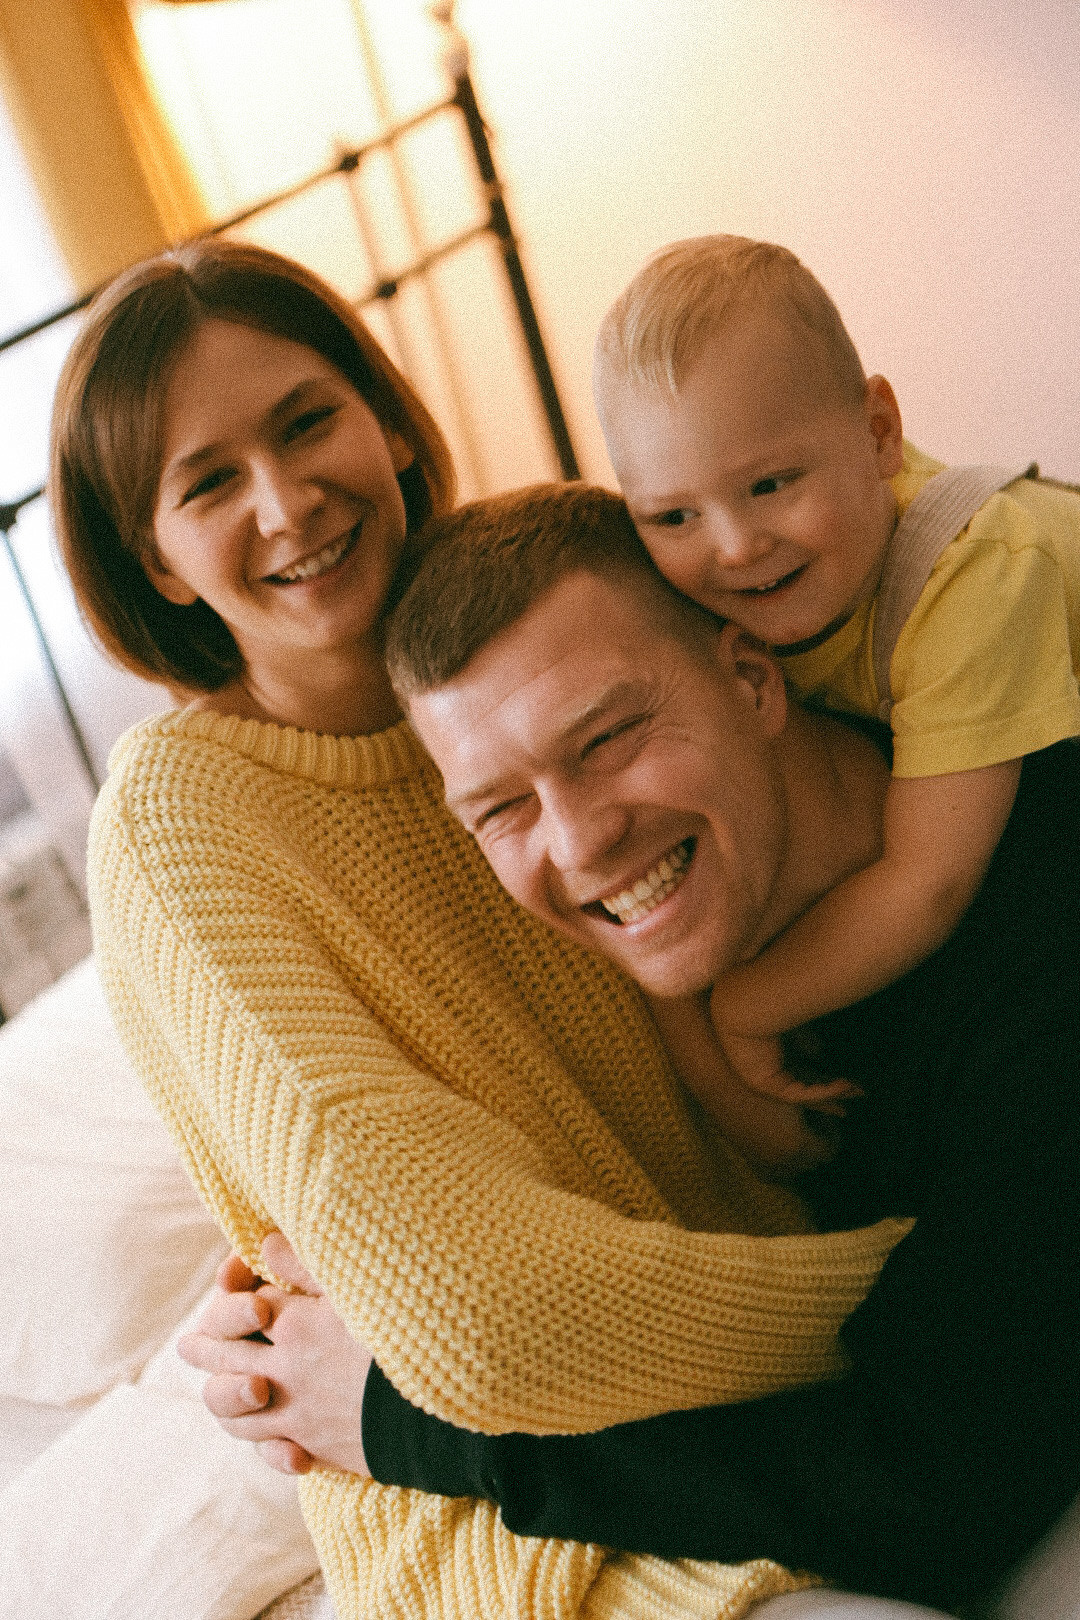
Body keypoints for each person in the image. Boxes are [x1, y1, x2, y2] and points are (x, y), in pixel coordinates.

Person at [51, 238, 911, 1620]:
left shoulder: (548, 596)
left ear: (389, 419)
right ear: (152, 560)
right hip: (525, 1524)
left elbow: (910, 608)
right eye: (208, 484)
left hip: (789, 1427)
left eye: (307, 421)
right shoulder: (177, 831)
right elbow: (485, 1323)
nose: (286, 501)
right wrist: (925, 1293)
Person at [191, 483, 1080, 1617]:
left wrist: (411, 1426)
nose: (581, 841)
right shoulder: (673, 1005)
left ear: (752, 678)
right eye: (502, 809)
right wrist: (283, 1317)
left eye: (607, 738)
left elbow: (931, 1480)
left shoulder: (1038, 932)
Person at [590, 234, 1080, 1110]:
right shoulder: (740, 603)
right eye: (671, 515)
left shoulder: (972, 573)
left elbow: (927, 884)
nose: (735, 547)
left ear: (878, 431)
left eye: (772, 484)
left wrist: (745, 1008)